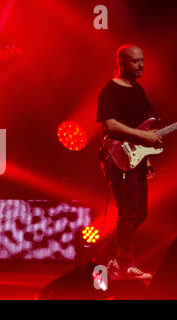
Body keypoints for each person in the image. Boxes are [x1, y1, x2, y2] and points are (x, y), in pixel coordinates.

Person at [96, 44, 163, 279]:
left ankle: (109, 256)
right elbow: (110, 125)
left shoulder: (139, 90)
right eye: (135, 61)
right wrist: (145, 136)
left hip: (137, 159)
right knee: (127, 212)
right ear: (121, 63)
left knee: (140, 212)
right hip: (117, 156)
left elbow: (145, 124)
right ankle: (125, 266)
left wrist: (147, 158)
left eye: (142, 60)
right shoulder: (109, 91)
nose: (141, 65)